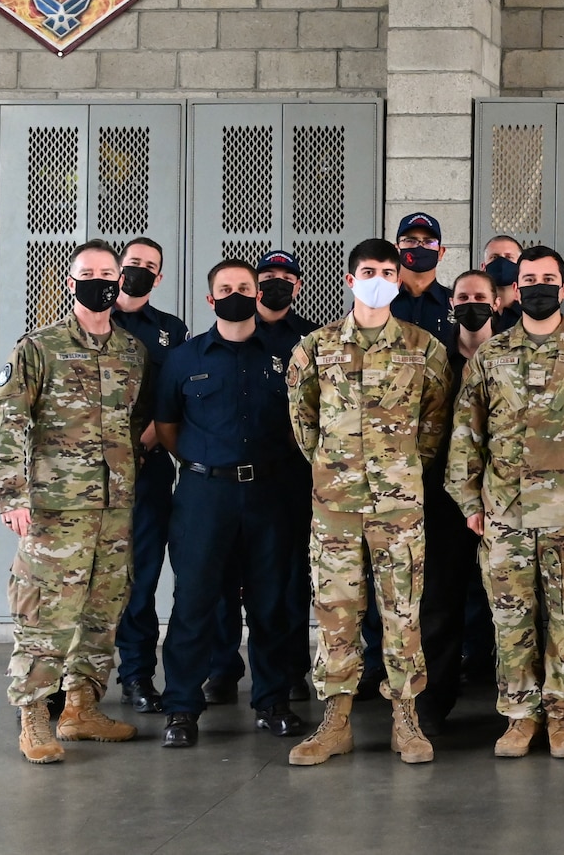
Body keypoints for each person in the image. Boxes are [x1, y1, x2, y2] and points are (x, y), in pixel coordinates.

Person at [449, 246, 564, 760]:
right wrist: (469, 502)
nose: (538, 288)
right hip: (505, 514)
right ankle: (518, 716)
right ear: (516, 290)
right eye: (529, 280)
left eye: (548, 279)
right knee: (511, 620)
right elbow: (466, 434)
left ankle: (563, 718)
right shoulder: (492, 356)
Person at [283, 239, 453, 767]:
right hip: (334, 504)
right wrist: (336, 469)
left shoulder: (425, 348)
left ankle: (406, 718)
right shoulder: (315, 348)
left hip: (398, 506)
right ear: (350, 279)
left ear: (399, 280)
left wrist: (400, 469)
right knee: (335, 611)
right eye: (367, 270)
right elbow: (303, 421)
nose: (378, 278)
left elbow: (433, 425)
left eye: (386, 270)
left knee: (402, 610)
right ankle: (336, 721)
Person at [0, 240, 153, 763]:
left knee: (103, 611)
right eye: (90, 273)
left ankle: (81, 709)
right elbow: (9, 423)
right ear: (71, 281)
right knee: (47, 613)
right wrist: (12, 495)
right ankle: (34, 715)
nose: (101, 281)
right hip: (56, 507)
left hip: (116, 507)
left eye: (110, 273)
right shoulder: (39, 347)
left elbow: (135, 426)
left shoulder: (132, 352)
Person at [153, 260, 306, 748]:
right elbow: (169, 428)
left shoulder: (286, 355)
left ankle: (272, 701)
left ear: (258, 292)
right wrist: (206, 465)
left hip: (269, 492)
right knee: (194, 600)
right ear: (210, 299)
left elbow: (295, 426)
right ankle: (181, 707)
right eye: (227, 288)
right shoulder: (184, 357)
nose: (237, 294)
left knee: (271, 601)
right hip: (204, 495)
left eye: (246, 287)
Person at [233, 247, 321, 704]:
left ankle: (291, 671)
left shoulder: (311, 338)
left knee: (289, 577)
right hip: (236, 477)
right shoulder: (234, 333)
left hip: (293, 475)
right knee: (229, 577)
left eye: (285, 277)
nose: (276, 283)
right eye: (266, 275)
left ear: (298, 286)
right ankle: (223, 669)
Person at [110, 236, 190, 715]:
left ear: (159, 278)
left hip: (147, 470)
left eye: (149, 267)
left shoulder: (169, 330)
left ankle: (136, 675)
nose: (140, 270)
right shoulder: (89, 320)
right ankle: (71, 682)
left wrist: (152, 438)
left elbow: (175, 396)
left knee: (140, 578)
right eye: (133, 263)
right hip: (91, 475)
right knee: (84, 580)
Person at [418, 269, 499, 733]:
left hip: (507, 496)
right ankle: (433, 702)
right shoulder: (433, 359)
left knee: (515, 606)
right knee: (440, 603)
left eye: (480, 297)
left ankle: (520, 705)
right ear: (452, 304)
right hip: (444, 498)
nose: (472, 304)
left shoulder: (510, 353)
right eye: (463, 297)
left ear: (496, 303)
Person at [391, 212, 455, 345]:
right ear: (396, 250)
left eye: (429, 242)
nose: (419, 247)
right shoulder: (380, 301)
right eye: (410, 241)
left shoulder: (455, 303)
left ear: (441, 252)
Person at [483, 235, 523, 333]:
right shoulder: (478, 312)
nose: (501, 262)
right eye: (494, 257)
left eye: (509, 257)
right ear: (483, 267)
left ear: (522, 266)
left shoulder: (531, 313)